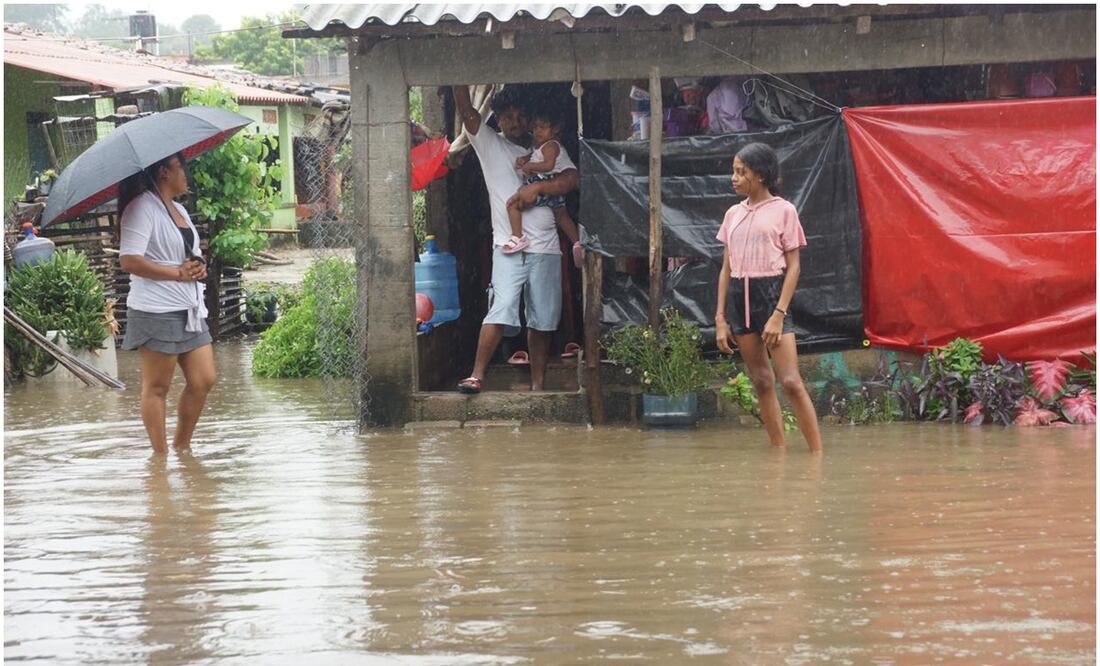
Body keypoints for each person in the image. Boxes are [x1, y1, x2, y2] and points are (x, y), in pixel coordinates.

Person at [452, 85, 580, 394]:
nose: (516, 123)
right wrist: (457, 80)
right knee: (502, 307)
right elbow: (468, 111)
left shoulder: (548, 150)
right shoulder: (489, 144)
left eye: (522, 117)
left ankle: (538, 384)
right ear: (496, 119)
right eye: (508, 117)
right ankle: (476, 375)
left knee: (542, 319)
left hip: (546, 248)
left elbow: (572, 180)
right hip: (508, 247)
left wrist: (537, 189)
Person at [714, 143, 822, 453]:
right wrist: (720, 319)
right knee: (761, 380)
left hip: (772, 294)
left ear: (760, 175)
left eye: (741, 172)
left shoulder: (784, 210)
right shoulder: (732, 213)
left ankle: (817, 456)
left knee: (789, 381)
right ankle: (779, 453)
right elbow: (725, 268)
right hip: (739, 296)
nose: (734, 178)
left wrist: (778, 313)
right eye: (734, 171)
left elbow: (794, 267)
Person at [118, 152, 215, 454]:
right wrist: (176, 273)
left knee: (204, 379)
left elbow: (188, 256)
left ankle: (181, 448)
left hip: (189, 308)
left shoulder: (180, 211)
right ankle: (159, 459)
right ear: (163, 172)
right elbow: (129, 260)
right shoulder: (141, 208)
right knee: (158, 388)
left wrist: (198, 267)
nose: (186, 172)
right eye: (180, 166)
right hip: (156, 310)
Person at [504, 111, 583, 267]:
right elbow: (533, 155)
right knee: (561, 215)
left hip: (545, 181)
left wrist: (529, 166)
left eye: (542, 127)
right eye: (534, 128)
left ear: (555, 129)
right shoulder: (540, 147)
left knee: (512, 204)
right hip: (552, 186)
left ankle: (517, 237)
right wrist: (525, 159)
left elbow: (548, 165)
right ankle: (577, 243)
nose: (537, 131)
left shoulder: (551, 145)